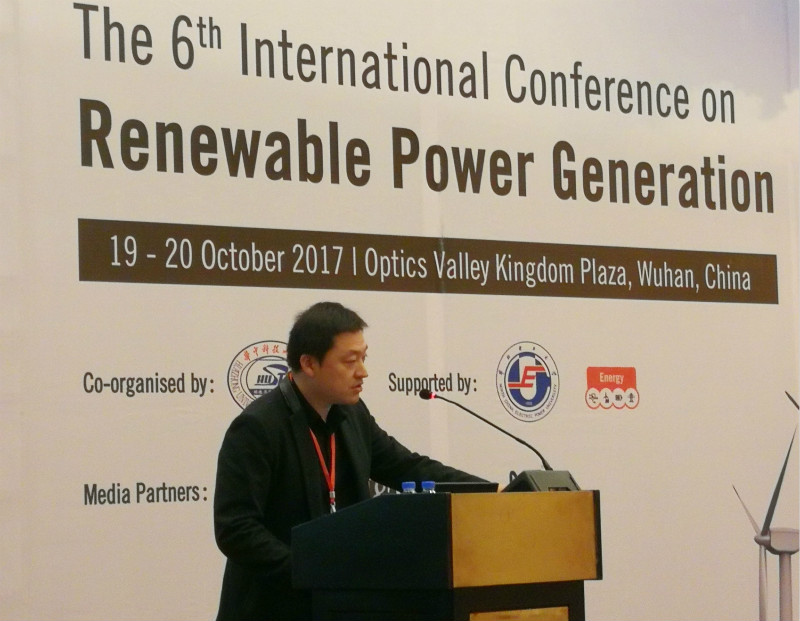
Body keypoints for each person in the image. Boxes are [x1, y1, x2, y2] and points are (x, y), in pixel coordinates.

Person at [213, 301, 486, 621]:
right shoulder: (258, 427)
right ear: (309, 363)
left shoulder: (352, 414)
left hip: (340, 605)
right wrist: (308, 572)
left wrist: (489, 491)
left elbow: (406, 467)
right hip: (273, 608)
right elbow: (236, 529)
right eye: (349, 361)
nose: (363, 372)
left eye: (363, 358)